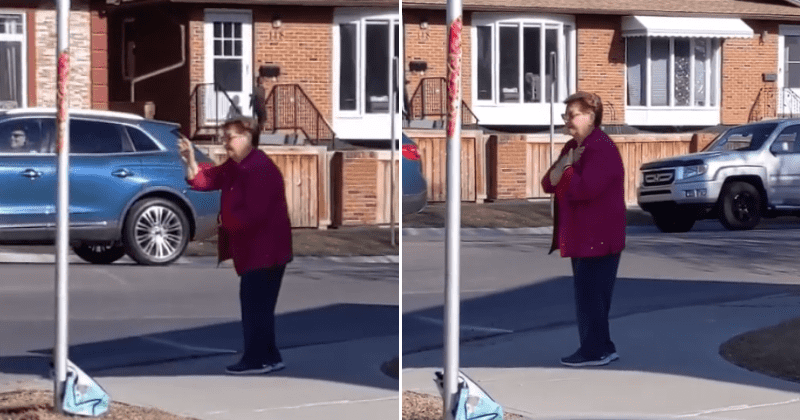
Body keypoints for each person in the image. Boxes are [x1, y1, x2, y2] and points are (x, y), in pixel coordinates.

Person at [179, 117, 293, 375]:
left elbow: (255, 214)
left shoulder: (260, 169)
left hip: (266, 251)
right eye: (224, 137)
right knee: (258, 306)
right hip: (254, 251)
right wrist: (190, 160)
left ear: (247, 137)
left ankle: (257, 359)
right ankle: (270, 356)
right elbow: (208, 179)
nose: (225, 142)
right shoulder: (236, 166)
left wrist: (223, 220)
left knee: (256, 307)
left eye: (229, 137)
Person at [541, 91, 626, 367]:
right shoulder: (572, 147)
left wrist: (566, 170)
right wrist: (567, 165)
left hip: (599, 237)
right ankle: (603, 347)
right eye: (565, 116)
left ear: (590, 117)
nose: (567, 121)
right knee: (589, 295)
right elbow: (546, 182)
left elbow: (582, 189)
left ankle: (594, 351)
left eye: (572, 115)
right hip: (580, 236)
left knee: (592, 297)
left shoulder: (600, 148)